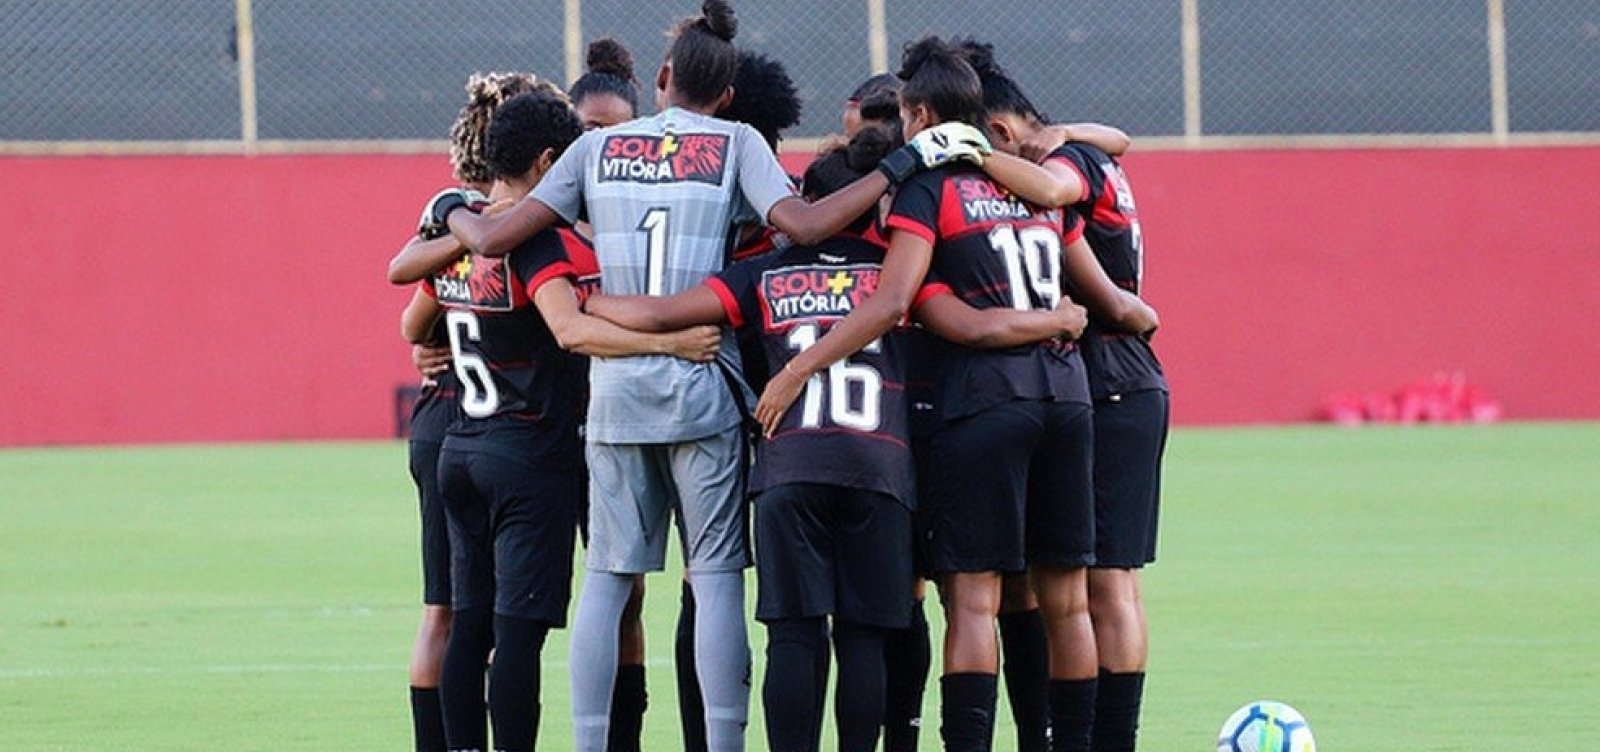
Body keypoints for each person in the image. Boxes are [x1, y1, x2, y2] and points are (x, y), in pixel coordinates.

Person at [411, 4, 983, 751]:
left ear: (663, 76)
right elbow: (805, 227)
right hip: (700, 381)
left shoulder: (599, 149)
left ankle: (589, 743)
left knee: (610, 580)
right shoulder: (737, 142)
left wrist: (454, 204)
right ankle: (721, 743)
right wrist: (899, 164)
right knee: (713, 579)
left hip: (615, 395)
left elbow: (489, 236)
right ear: (727, 95)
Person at [584, 126, 1088, 752]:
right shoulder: (900, 272)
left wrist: (594, 304)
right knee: (863, 639)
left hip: (789, 470)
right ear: (873, 209)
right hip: (880, 472)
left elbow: (661, 314)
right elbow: (952, 324)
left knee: (794, 637)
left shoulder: (761, 274)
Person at [401, 83, 721, 752]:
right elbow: (572, 331)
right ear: (548, 164)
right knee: (517, 636)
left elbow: (413, 320)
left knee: (469, 624)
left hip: (461, 445)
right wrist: (670, 342)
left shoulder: (464, 238)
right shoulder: (542, 243)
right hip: (527, 455)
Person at [960, 40, 1170, 752]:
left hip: (1108, 374)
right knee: (1094, 580)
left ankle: (1112, 739)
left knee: (1104, 583)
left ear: (1000, 133)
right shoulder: (1088, 150)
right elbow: (1120, 137)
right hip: (1120, 375)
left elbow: (1049, 192)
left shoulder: (1058, 168)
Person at [394, 70, 537, 752]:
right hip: (492, 425)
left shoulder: (449, 216)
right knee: (485, 617)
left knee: (447, 612)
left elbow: (411, 320)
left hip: (447, 423)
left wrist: (435, 341)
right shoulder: (510, 223)